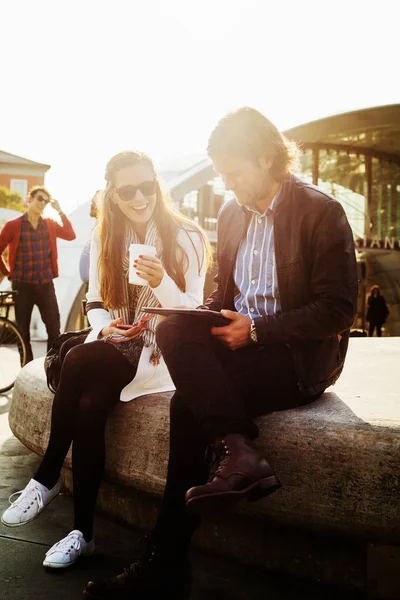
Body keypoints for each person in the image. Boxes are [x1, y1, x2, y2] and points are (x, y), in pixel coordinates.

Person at [82, 108, 358, 600]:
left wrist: (258, 330)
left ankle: (164, 563)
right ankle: (239, 452)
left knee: (186, 406)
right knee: (173, 327)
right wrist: (199, 317)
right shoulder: (232, 214)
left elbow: (338, 310)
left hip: (298, 357)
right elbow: (223, 298)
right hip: (240, 341)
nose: (227, 185)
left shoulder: (320, 211)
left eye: (233, 172)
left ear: (268, 158)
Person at [1, 151, 210, 571]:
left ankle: (48, 475)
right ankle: (82, 534)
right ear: (112, 195)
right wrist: (104, 328)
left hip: (160, 350)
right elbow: (95, 301)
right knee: (90, 404)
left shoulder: (187, 235)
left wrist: (161, 281)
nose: (139, 198)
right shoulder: (104, 235)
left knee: (77, 361)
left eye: (147, 187)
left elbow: (195, 312)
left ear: (157, 185)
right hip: (116, 342)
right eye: (127, 190)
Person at [0, 186, 76, 362]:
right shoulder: (13, 225)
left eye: (46, 201)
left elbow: (70, 235)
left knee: (54, 328)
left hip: (45, 284)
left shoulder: (50, 223)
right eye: (40, 199)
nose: (43, 203)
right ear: (30, 199)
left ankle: (51, 366)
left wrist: (60, 211)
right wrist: (8, 273)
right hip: (23, 285)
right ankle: (26, 366)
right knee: (23, 330)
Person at [79, 190, 102, 285]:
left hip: (98, 285)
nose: (91, 204)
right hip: (90, 285)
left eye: (94, 202)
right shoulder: (96, 227)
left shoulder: (105, 229)